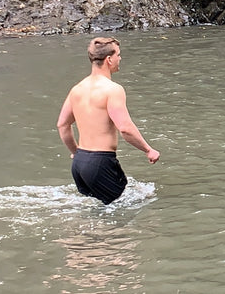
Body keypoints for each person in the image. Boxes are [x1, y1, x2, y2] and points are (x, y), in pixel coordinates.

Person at [57, 36, 160, 204]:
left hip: (79, 165)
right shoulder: (112, 90)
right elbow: (125, 128)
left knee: (98, 212)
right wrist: (148, 150)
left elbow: (62, 124)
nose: (120, 59)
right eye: (118, 55)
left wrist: (76, 153)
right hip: (100, 162)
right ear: (109, 59)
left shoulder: (77, 89)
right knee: (120, 216)